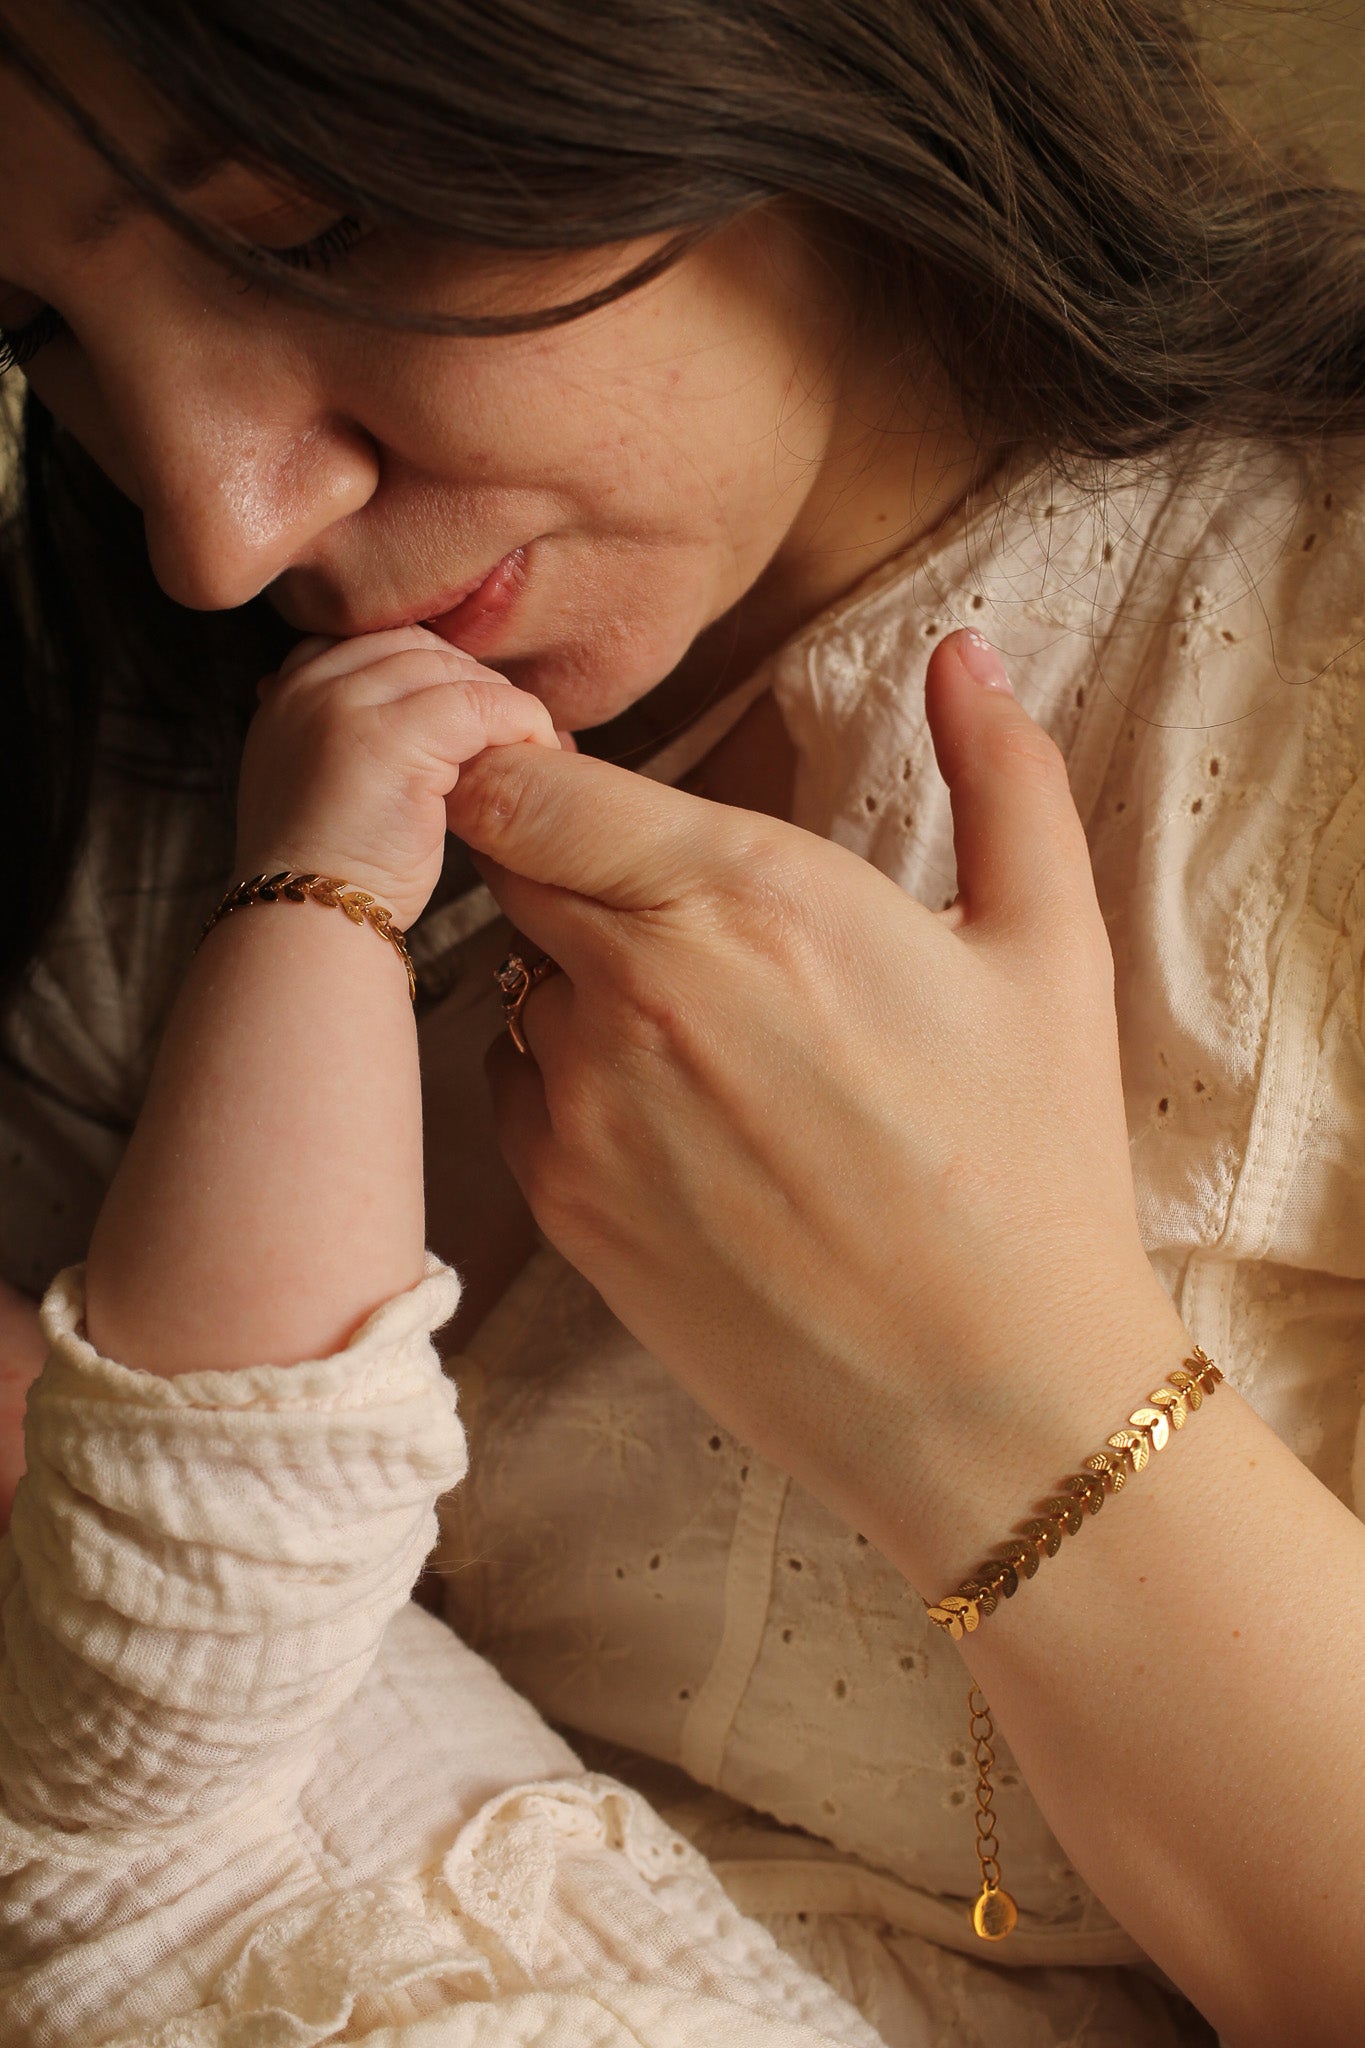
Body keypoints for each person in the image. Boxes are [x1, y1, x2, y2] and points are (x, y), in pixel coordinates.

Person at [0, 0, 1363, 2042]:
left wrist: (997, 1383)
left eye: (310, 231)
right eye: (42, 338)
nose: (217, 530)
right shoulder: (173, 773)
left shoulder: (1303, 700)